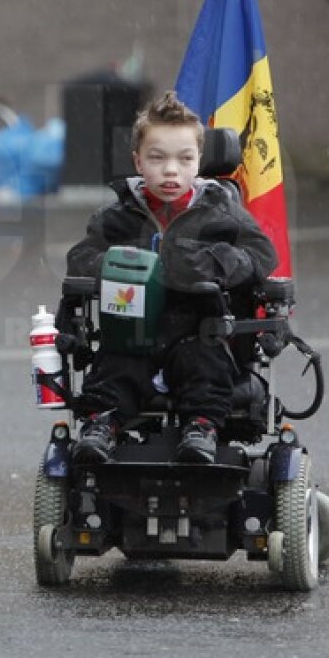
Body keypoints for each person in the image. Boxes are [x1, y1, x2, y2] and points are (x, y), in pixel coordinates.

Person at [66, 91, 277, 464]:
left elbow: (262, 256)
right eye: (157, 158)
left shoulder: (221, 210)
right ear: (138, 161)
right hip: (134, 330)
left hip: (199, 329)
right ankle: (102, 424)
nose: (170, 170)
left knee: (205, 362)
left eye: (184, 159)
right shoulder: (118, 215)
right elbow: (80, 258)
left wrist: (216, 261)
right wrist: (113, 265)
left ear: (199, 162)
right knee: (115, 365)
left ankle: (201, 427)